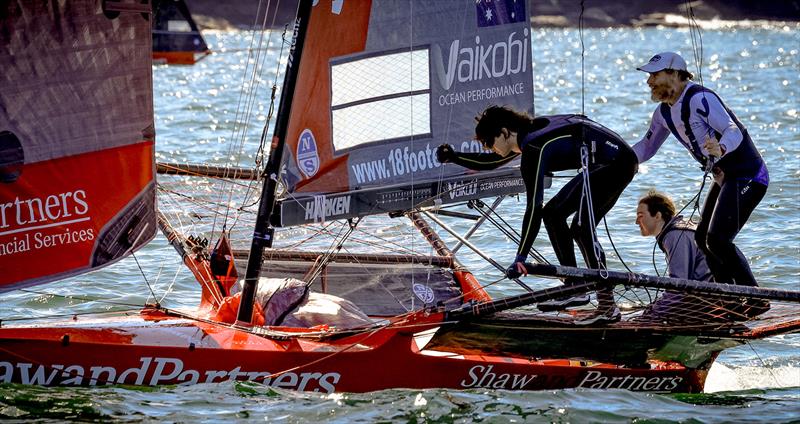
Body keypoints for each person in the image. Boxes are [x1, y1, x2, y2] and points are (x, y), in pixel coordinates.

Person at [437, 106, 638, 325]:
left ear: (504, 133)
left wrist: (521, 257)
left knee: (581, 227)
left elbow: (533, 207)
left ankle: (606, 306)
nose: (491, 149)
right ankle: (574, 287)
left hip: (617, 164)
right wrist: (454, 157)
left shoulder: (533, 147)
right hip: (608, 162)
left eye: (490, 143)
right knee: (553, 214)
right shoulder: (527, 135)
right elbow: (493, 162)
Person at [632, 52, 768, 289]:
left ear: (674, 74)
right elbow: (646, 146)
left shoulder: (699, 98)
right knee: (702, 239)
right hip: (725, 179)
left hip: (749, 175)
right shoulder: (663, 113)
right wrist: (618, 161)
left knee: (718, 239)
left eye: (654, 75)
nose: (649, 82)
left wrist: (721, 146)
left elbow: (732, 129)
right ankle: (729, 298)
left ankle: (755, 297)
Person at [635, 190, 769, 322]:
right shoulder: (683, 228)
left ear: (657, 216)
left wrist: (650, 314)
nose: (636, 221)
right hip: (723, 295)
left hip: (710, 301)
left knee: (652, 314)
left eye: (640, 215)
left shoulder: (674, 236)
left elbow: (678, 286)